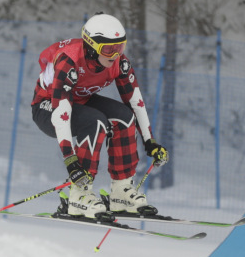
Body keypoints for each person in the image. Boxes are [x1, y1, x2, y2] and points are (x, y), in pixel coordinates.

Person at [31, 12, 169, 218]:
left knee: (123, 117)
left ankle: (121, 191)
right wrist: (70, 160)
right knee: (95, 122)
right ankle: (79, 195)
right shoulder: (69, 62)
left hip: (80, 100)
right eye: (108, 49)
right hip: (48, 107)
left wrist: (150, 141)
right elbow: (61, 112)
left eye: (119, 47)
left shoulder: (118, 63)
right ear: (91, 46)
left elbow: (135, 102)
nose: (114, 55)